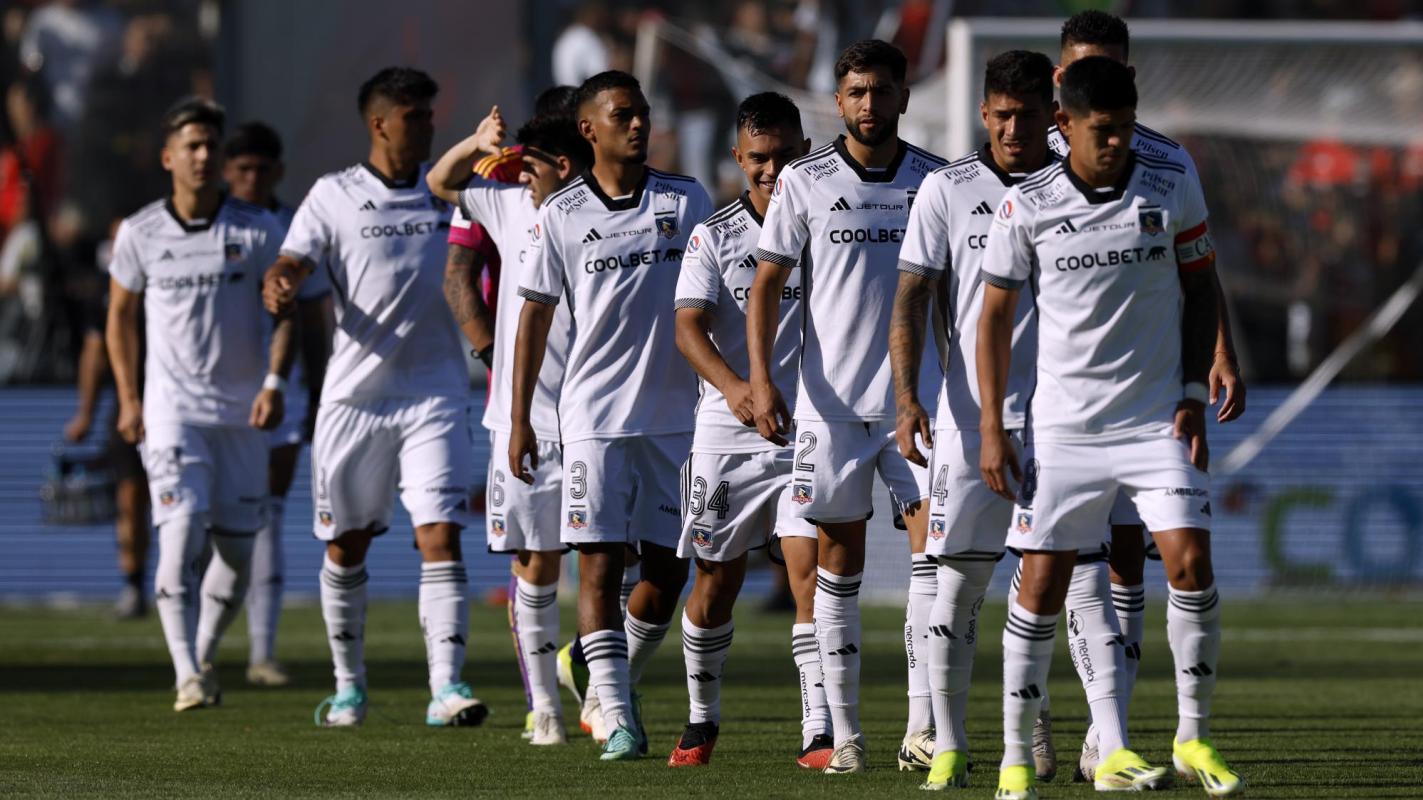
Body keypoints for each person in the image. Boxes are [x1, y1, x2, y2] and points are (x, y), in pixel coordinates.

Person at [978, 57, 1241, 799]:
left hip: (1154, 423)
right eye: (1102, 131)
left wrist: (1191, 393)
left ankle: (1192, 738)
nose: (1118, 142)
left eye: (1125, 128)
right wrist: (994, 424)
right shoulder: (1026, 204)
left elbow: (1200, 287)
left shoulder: (1169, 183)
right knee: (1041, 584)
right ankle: (1015, 757)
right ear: (1064, 125)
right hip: (1062, 432)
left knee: (1190, 563)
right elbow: (992, 319)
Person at [747, 39, 947, 774]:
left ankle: (922, 728)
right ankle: (847, 736)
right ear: (837, 101)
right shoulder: (803, 180)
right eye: (857, 92)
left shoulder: (935, 180)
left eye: (881, 90)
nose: (869, 104)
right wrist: (762, 380)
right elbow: (766, 285)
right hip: (829, 410)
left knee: (936, 561)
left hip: (919, 407)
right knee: (837, 568)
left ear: (902, 97)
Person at [262, 67, 483, 729]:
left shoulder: (452, 191)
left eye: (431, 115)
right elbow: (294, 261)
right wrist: (279, 280)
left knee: (440, 533)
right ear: (379, 124)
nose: (429, 126)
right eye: (415, 117)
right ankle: (348, 688)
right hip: (354, 399)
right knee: (346, 544)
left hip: (435, 393)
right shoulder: (333, 195)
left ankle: (446, 688)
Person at [509, 69, 712, 761]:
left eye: (642, 112)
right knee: (596, 569)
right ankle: (618, 718)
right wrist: (520, 420)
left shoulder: (686, 199)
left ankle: (597, 672)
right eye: (622, 114)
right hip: (592, 419)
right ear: (588, 129)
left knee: (667, 573)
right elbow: (533, 320)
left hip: (678, 419)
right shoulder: (561, 213)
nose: (638, 124)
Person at [888, 49, 1057, 791]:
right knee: (955, 588)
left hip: (1064, 421)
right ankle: (948, 744)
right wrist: (908, 397)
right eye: (1002, 115)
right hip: (969, 422)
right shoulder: (946, 188)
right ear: (983, 113)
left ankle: (1042, 725)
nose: (1014, 128)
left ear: (1053, 116)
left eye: (1028, 115)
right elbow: (910, 298)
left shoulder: (1075, 189)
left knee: (1062, 586)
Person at [105, 97, 291, 712]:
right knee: (181, 531)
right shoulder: (140, 232)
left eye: (211, 144)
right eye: (192, 145)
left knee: (236, 553)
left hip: (242, 415)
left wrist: (274, 383)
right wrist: (129, 398)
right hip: (172, 413)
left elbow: (287, 311)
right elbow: (119, 317)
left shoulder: (257, 229)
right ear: (169, 158)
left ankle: (204, 654)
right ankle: (186, 673)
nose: (204, 155)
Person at [664, 91, 830, 769]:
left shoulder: (828, 224)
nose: (772, 170)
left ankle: (818, 729)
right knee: (715, 582)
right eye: (758, 157)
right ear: (738, 157)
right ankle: (701, 718)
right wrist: (736, 389)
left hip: (809, 426)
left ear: (805, 152)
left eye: (785, 155)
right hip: (728, 432)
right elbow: (687, 327)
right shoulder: (715, 234)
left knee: (809, 573)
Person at [426, 101, 593, 746]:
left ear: (564, 164)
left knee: (613, 562)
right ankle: (544, 707)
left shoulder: (609, 213)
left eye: (530, 165)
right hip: (520, 420)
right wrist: (474, 144)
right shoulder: (507, 206)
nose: (518, 175)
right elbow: (441, 182)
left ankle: (602, 690)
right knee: (535, 562)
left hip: (596, 418)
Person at [220, 121, 332, 687]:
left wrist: (316, 393)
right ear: (226, 172)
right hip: (209, 396)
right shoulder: (205, 226)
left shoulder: (293, 229)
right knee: (206, 522)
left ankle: (261, 652)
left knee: (265, 514)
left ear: (279, 171)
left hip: (278, 393)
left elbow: (313, 320)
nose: (252, 178)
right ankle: (196, 648)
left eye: (262, 169)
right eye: (242, 169)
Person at [63, 287, 150, 620]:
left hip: (185, 403)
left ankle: (195, 583)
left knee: (191, 504)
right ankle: (134, 585)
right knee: (130, 499)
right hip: (130, 407)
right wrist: (85, 413)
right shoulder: (109, 291)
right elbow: (95, 351)